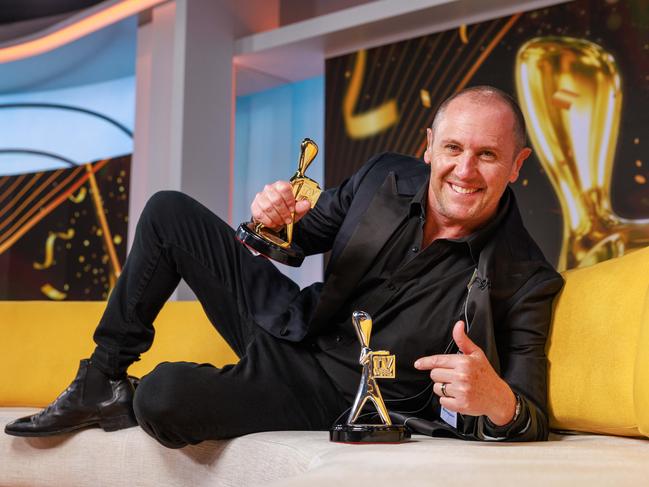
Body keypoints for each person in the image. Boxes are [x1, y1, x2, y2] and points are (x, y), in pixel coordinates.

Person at [5, 86, 563, 446]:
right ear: (428, 147)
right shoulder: (383, 176)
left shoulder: (525, 276)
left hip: (336, 393)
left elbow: (529, 410)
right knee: (168, 211)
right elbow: (305, 233)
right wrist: (272, 220)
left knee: (162, 397)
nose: (464, 169)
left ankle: (139, 392)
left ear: (517, 164)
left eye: (487, 155)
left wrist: (499, 402)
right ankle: (98, 381)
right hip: (297, 322)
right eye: (454, 148)